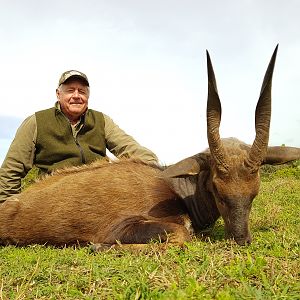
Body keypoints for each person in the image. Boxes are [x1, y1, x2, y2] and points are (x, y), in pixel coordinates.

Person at [0, 70, 158, 203]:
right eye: (70, 90)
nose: (76, 96)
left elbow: (130, 148)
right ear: (58, 94)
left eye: (82, 91)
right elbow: (12, 169)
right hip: (53, 198)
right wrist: (7, 207)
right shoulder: (36, 122)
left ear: (88, 96)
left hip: (98, 194)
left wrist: (153, 168)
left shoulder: (101, 120)